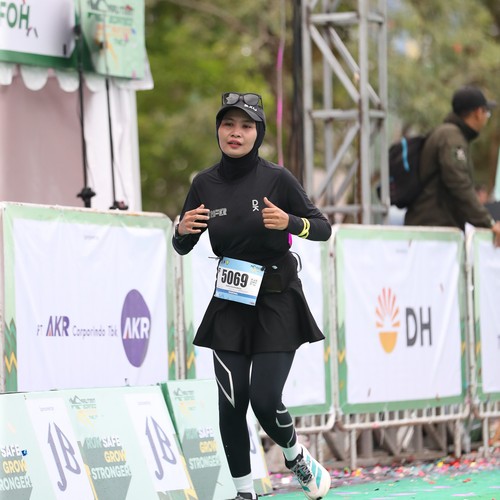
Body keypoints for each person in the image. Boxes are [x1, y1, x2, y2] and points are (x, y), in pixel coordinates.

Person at [172, 92, 332, 500]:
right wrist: (181, 231)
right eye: (228, 124)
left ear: (257, 133)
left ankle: (295, 457)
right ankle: (245, 492)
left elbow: (323, 227)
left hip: (277, 300)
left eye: (246, 126)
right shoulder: (203, 183)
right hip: (230, 303)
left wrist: (291, 221)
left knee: (264, 399)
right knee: (231, 401)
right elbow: (183, 245)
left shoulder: (277, 179)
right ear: (218, 130)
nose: (236, 133)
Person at [405, 85, 500, 247]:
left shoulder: (449, 134)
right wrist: (488, 222)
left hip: (430, 228)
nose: (486, 118)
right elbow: (459, 184)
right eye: (487, 112)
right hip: (433, 231)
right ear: (478, 113)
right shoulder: (452, 138)